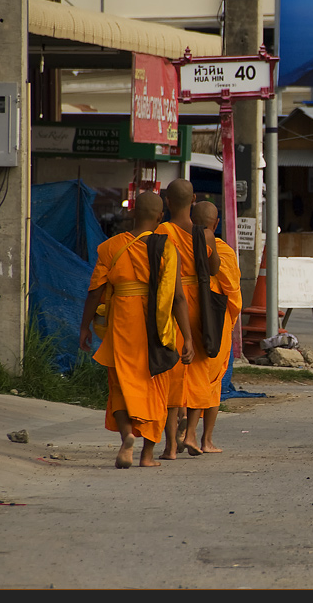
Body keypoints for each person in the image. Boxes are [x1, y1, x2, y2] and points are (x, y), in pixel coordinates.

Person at [79, 191, 195, 469]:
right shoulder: (167, 248)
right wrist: (188, 337)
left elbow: (95, 291)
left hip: (122, 322)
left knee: (120, 384)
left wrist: (84, 326)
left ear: (132, 213)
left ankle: (127, 436)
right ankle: (146, 455)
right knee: (156, 386)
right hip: (158, 326)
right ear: (159, 217)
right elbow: (178, 297)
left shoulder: (111, 247)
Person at [155, 179, 220, 459]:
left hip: (171, 303)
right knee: (197, 371)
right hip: (198, 307)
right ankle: (192, 434)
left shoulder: (162, 231)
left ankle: (170, 446)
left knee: (172, 374)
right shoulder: (203, 234)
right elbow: (214, 268)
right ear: (193, 199)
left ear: (167, 202)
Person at [182, 201, 242, 454]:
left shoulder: (176, 244)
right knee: (212, 381)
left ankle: (176, 439)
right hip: (214, 322)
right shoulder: (222, 251)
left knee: (182, 380)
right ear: (216, 224)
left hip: (181, 317)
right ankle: (202, 439)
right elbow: (233, 291)